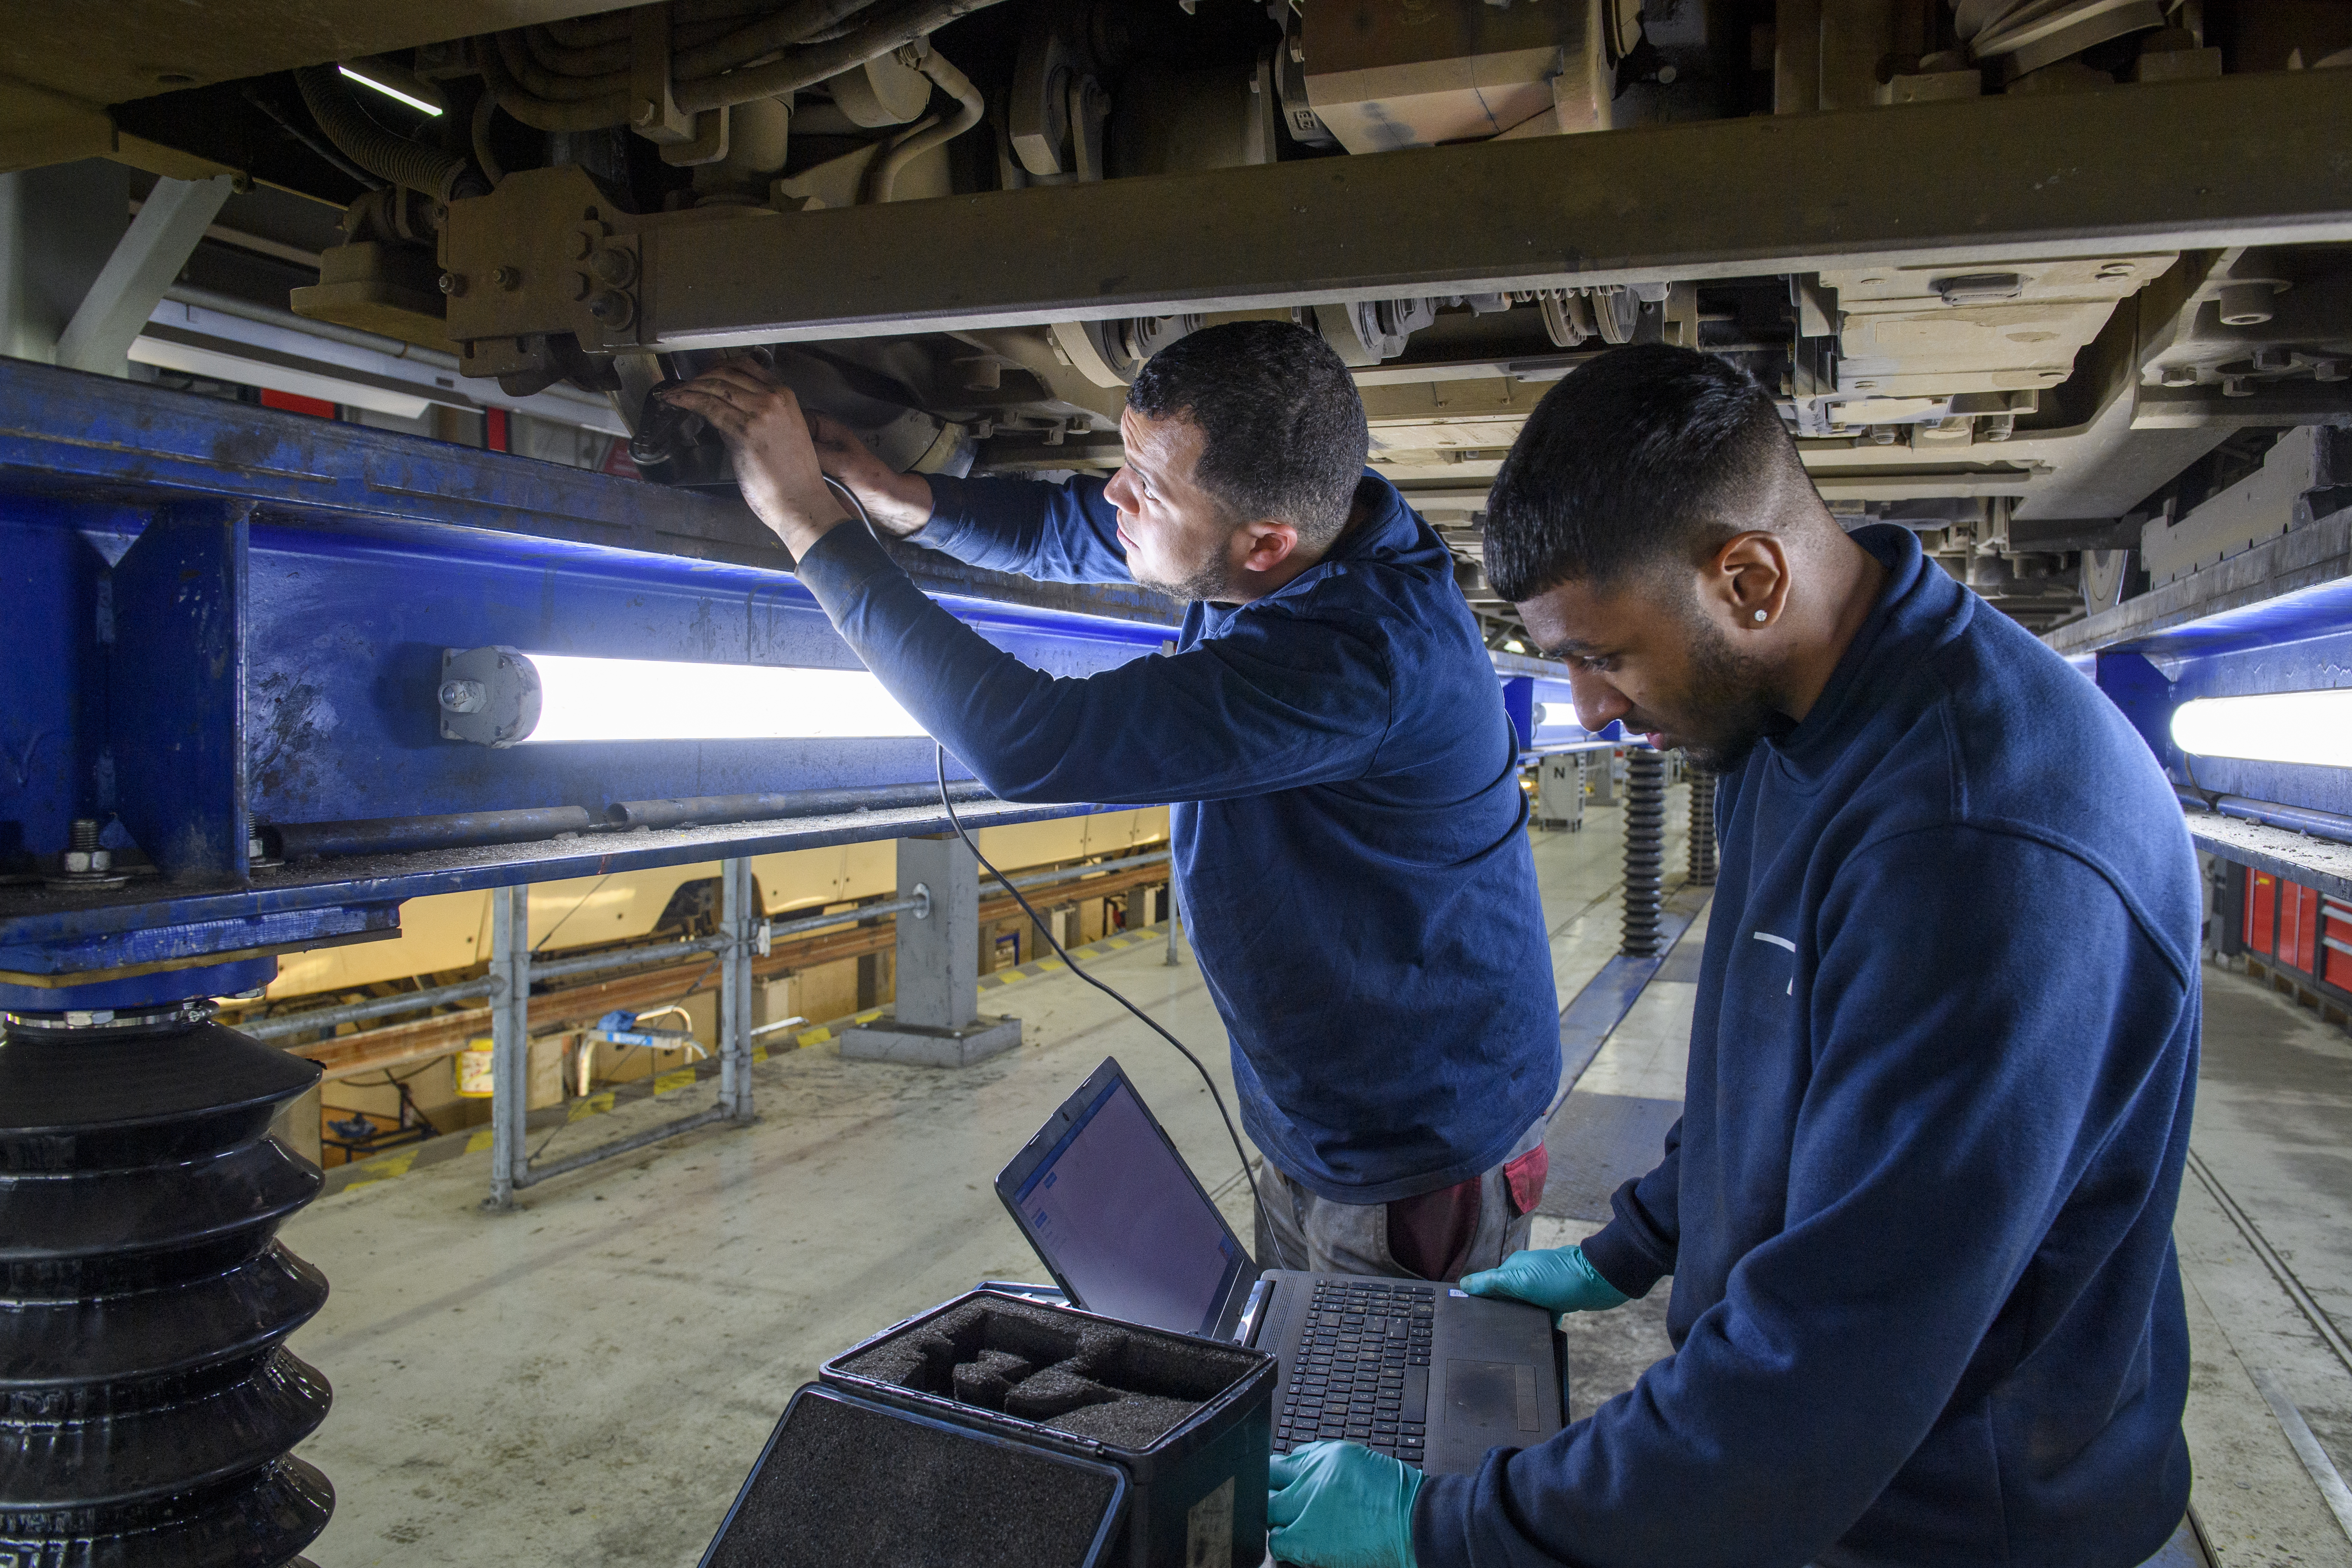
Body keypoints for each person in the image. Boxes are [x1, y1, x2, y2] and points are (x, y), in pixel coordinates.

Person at [1262, 344, 2200, 1568]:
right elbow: (1779, 1070)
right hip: (1847, 1465)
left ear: (1747, 578)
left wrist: (1446, 1525)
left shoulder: (1974, 848)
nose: (1589, 708)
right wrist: (1627, 1245)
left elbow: (1831, 1366)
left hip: (1950, 1519)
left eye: (1602, 653)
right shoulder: (1795, 716)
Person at [661, 322, 1560, 1282]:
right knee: (1294, 1379)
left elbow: (1033, 741)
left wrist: (807, 518)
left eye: (1149, 487)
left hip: (1417, 1157)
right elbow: (1081, 531)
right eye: (1128, 461)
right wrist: (900, 495)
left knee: (1366, 1423)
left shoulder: (1360, 656)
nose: (1114, 495)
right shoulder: (1316, 528)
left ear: (1266, 543)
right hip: (1325, 1123)